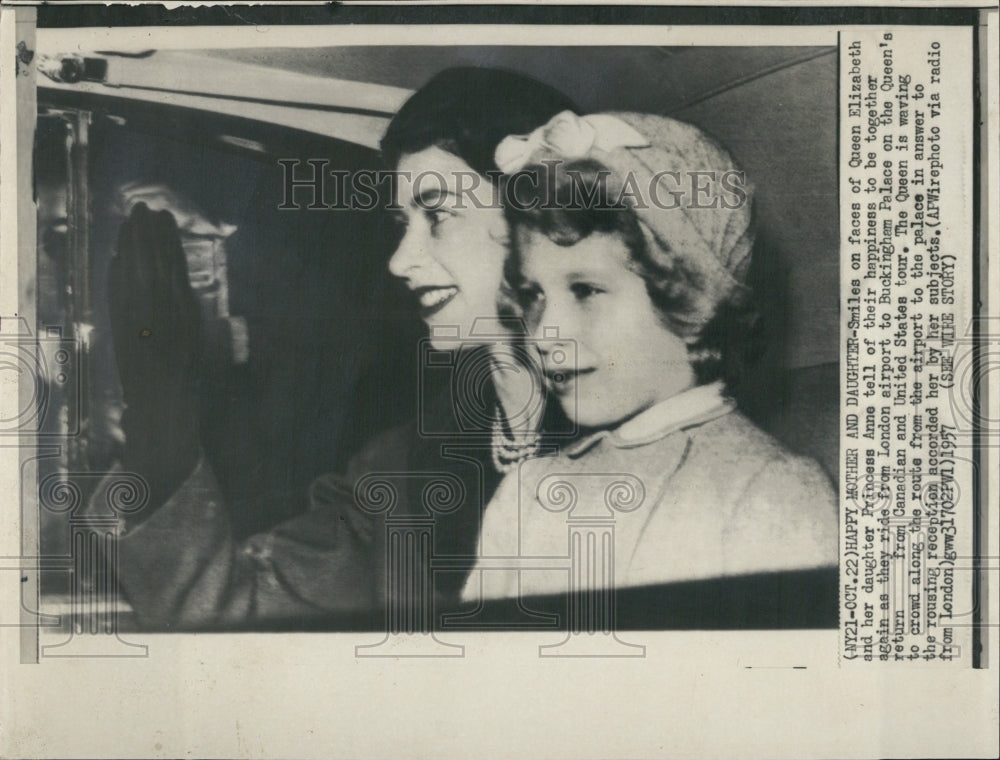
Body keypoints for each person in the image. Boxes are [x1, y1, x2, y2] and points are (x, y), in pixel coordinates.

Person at [94, 67, 578, 630]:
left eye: (438, 215)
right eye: (402, 222)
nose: (400, 260)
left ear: (535, 222)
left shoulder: (641, 433)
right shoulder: (399, 470)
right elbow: (233, 614)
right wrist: (161, 418)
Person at [458, 111, 838, 605]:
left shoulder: (772, 491)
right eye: (533, 295)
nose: (547, 332)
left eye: (586, 290)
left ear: (689, 291)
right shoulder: (529, 488)